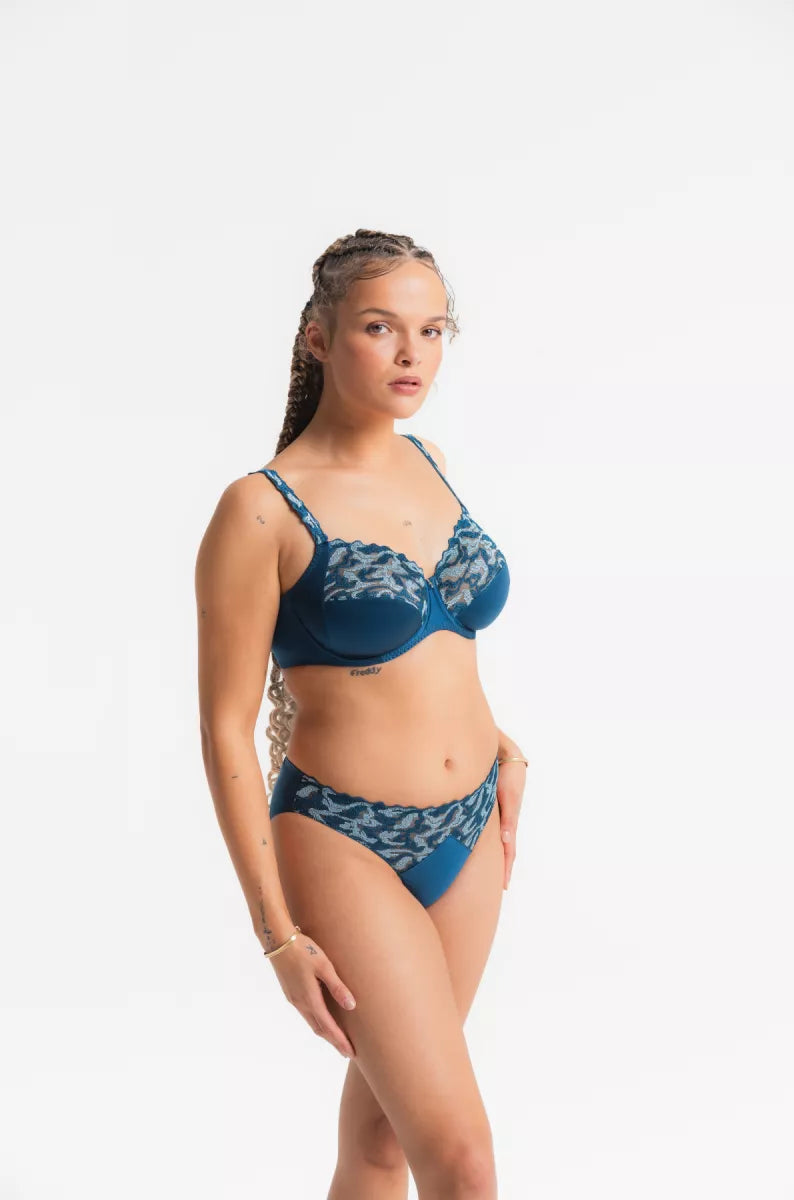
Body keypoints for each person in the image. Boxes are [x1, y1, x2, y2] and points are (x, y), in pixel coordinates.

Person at [195, 228, 528, 1200]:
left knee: (381, 1144)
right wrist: (276, 936)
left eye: (432, 329)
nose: (411, 352)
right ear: (318, 335)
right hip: (345, 838)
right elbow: (224, 729)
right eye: (380, 327)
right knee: (462, 1163)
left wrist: (499, 744)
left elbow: (437, 654)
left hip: (472, 827)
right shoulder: (259, 509)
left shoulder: (429, 461)